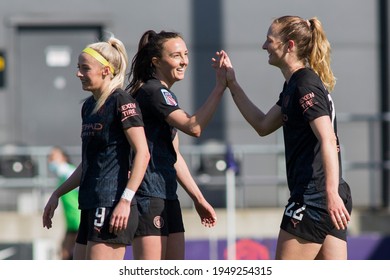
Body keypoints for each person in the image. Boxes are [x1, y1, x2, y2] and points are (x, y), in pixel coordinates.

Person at [221, 16, 353, 259]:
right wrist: (232, 84)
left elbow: (328, 139)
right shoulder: (295, 84)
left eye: (269, 41)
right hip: (326, 194)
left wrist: (330, 194)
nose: (264, 47)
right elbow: (262, 125)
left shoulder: (305, 85)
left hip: (315, 196)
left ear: (289, 45)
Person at [42, 35, 150, 260]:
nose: (78, 73)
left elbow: (143, 152)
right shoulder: (89, 106)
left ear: (106, 71)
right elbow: (89, 162)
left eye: (84, 68)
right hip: (90, 203)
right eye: (78, 67)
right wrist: (57, 194)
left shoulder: (122, 101)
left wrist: (125, 200)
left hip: (113, 204)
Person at [126, 30, 225, 259]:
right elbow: (194, 127)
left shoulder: (163, 94)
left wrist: (199, 200)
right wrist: (220, 87)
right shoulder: (153, 91)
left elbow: (175, 156)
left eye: (186, 54)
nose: (184, 61)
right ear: (156, 61)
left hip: (168, 195)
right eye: (176, 55)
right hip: (148, 195)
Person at [47, 146, 80, 260]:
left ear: (64, 158)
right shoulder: (62, 176)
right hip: (71, 221)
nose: (50, 161)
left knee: (73, 253)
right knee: (64, 253)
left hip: (79, 220)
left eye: (53, 157)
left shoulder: (69, 172)